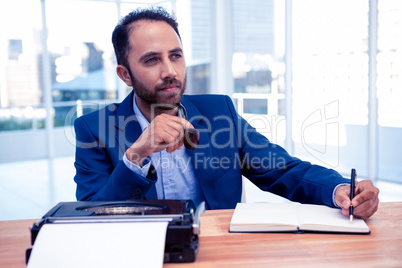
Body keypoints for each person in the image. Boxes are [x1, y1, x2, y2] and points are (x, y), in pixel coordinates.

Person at [73, 7, 379, 219]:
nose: (170, 71)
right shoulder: (94, 128)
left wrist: (341, 190)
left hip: (217, 249)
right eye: (152, 60)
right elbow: (92, 214)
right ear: (125, 75)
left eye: (176, 56)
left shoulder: (219, 111)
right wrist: (137, 155)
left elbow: (281, 168)